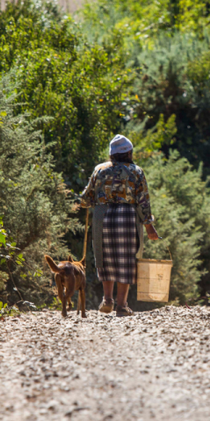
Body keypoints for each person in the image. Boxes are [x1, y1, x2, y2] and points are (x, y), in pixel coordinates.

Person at [79, 134, 159, 316]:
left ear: (112, 154)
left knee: (104, 257)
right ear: (129, 153)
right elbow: (143, 201)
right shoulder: (136, 171)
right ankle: (122, 305)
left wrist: (91, 201)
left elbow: (85, 199)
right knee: (125, 260)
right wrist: (149, 226)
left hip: (102, 215)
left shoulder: (99, 170)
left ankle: (107, 299)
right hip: (127, 216)